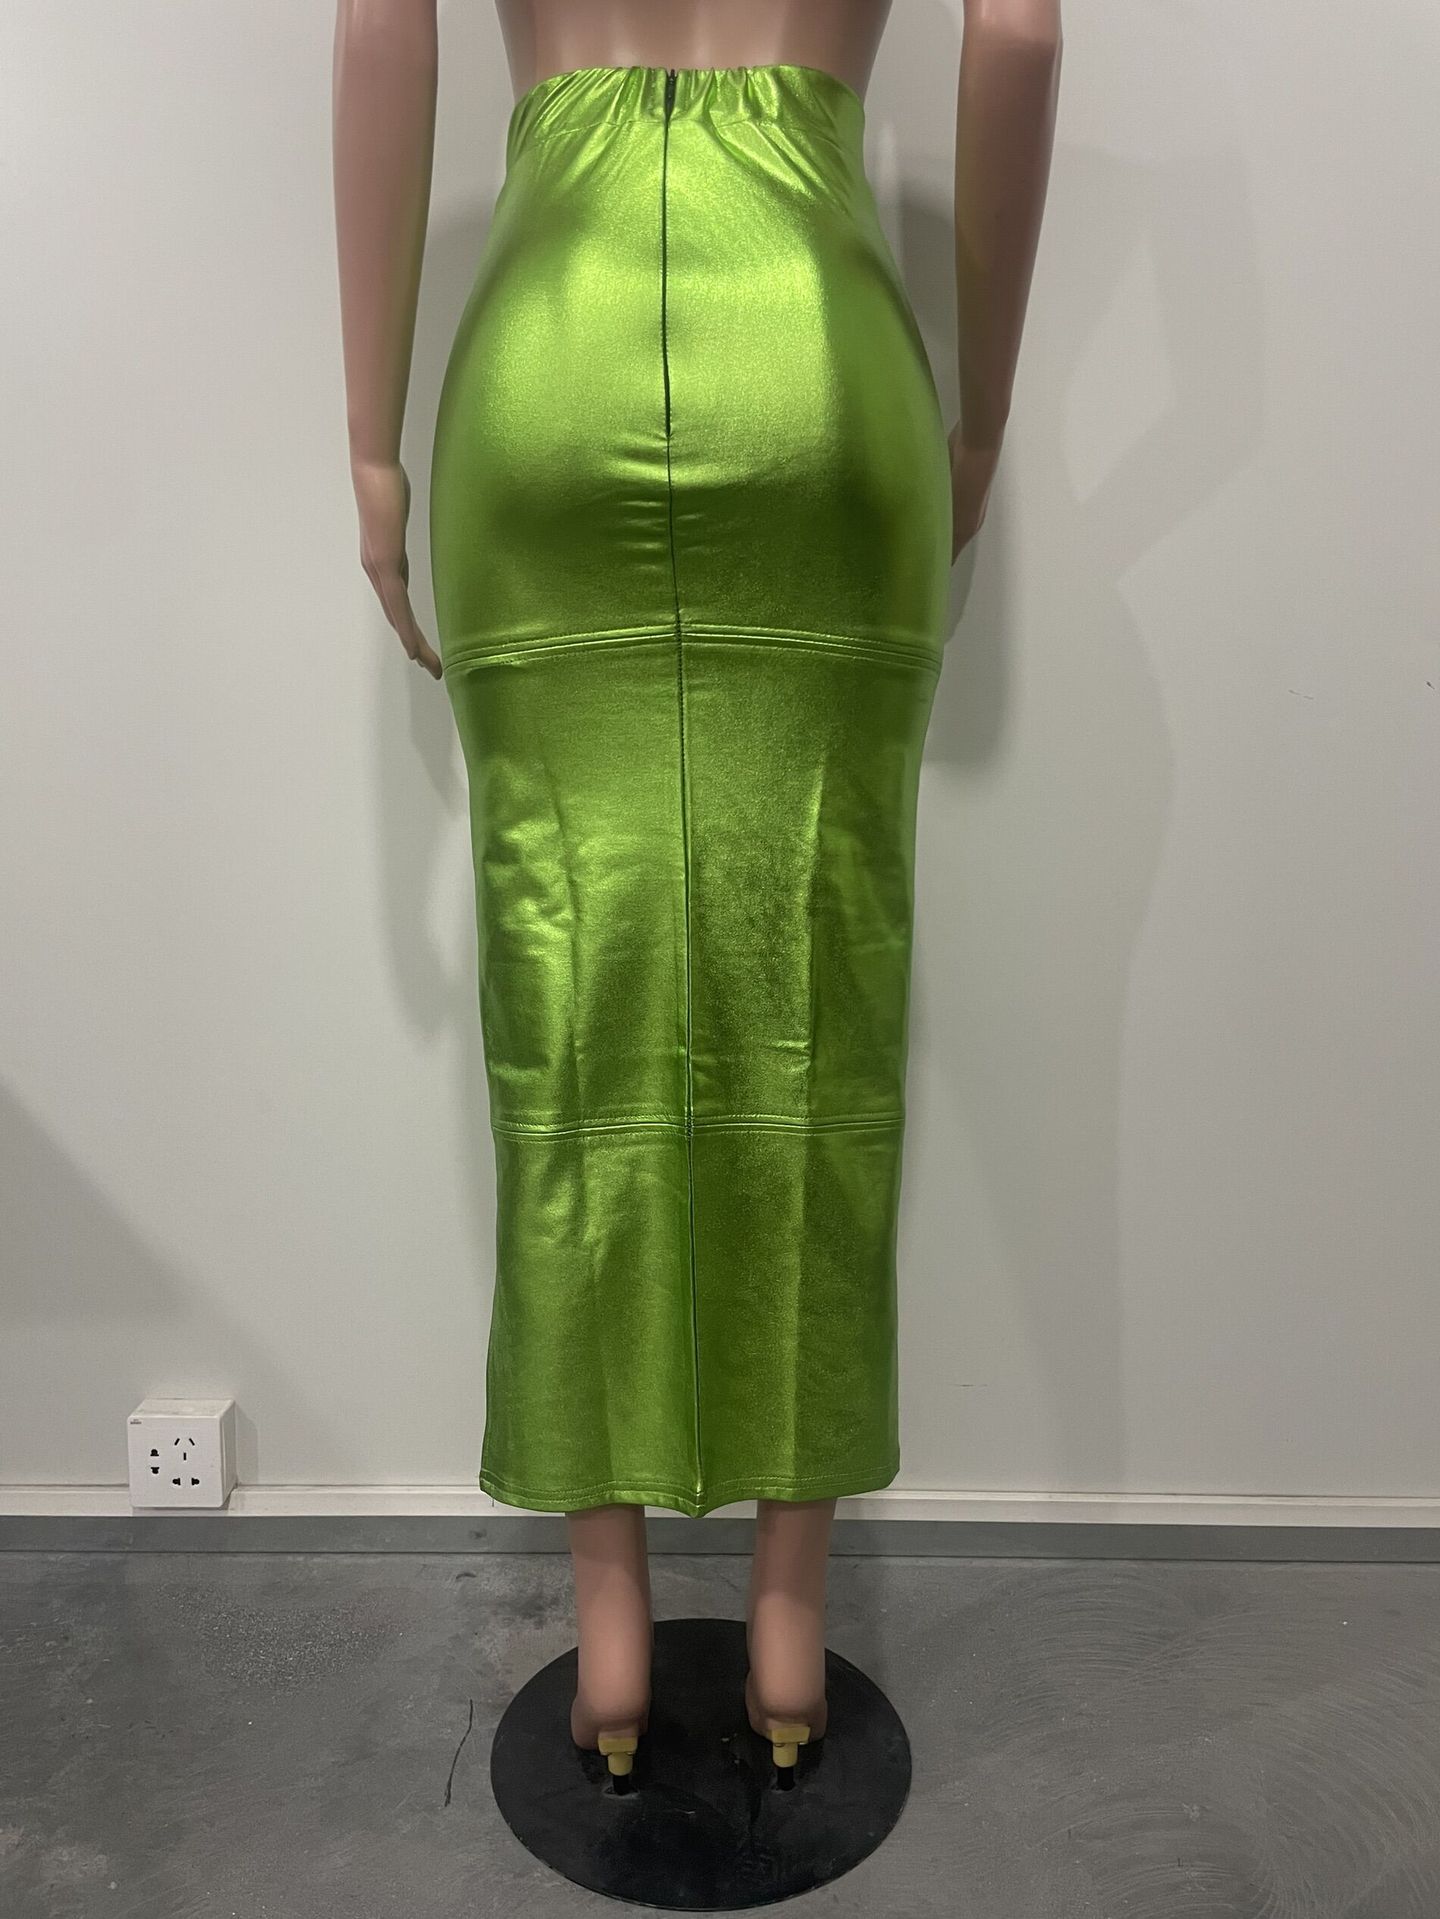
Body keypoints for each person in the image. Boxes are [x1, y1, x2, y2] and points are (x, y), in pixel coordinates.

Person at [332, 0, 1061, 1785]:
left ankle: (610, 1635)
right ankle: (790, 1625)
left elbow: (377, 25)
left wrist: (372, 446)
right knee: (822, 978)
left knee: (562, 999)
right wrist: (980, 419)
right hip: (816, 359)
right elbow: (1025, 34)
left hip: (549, 361)